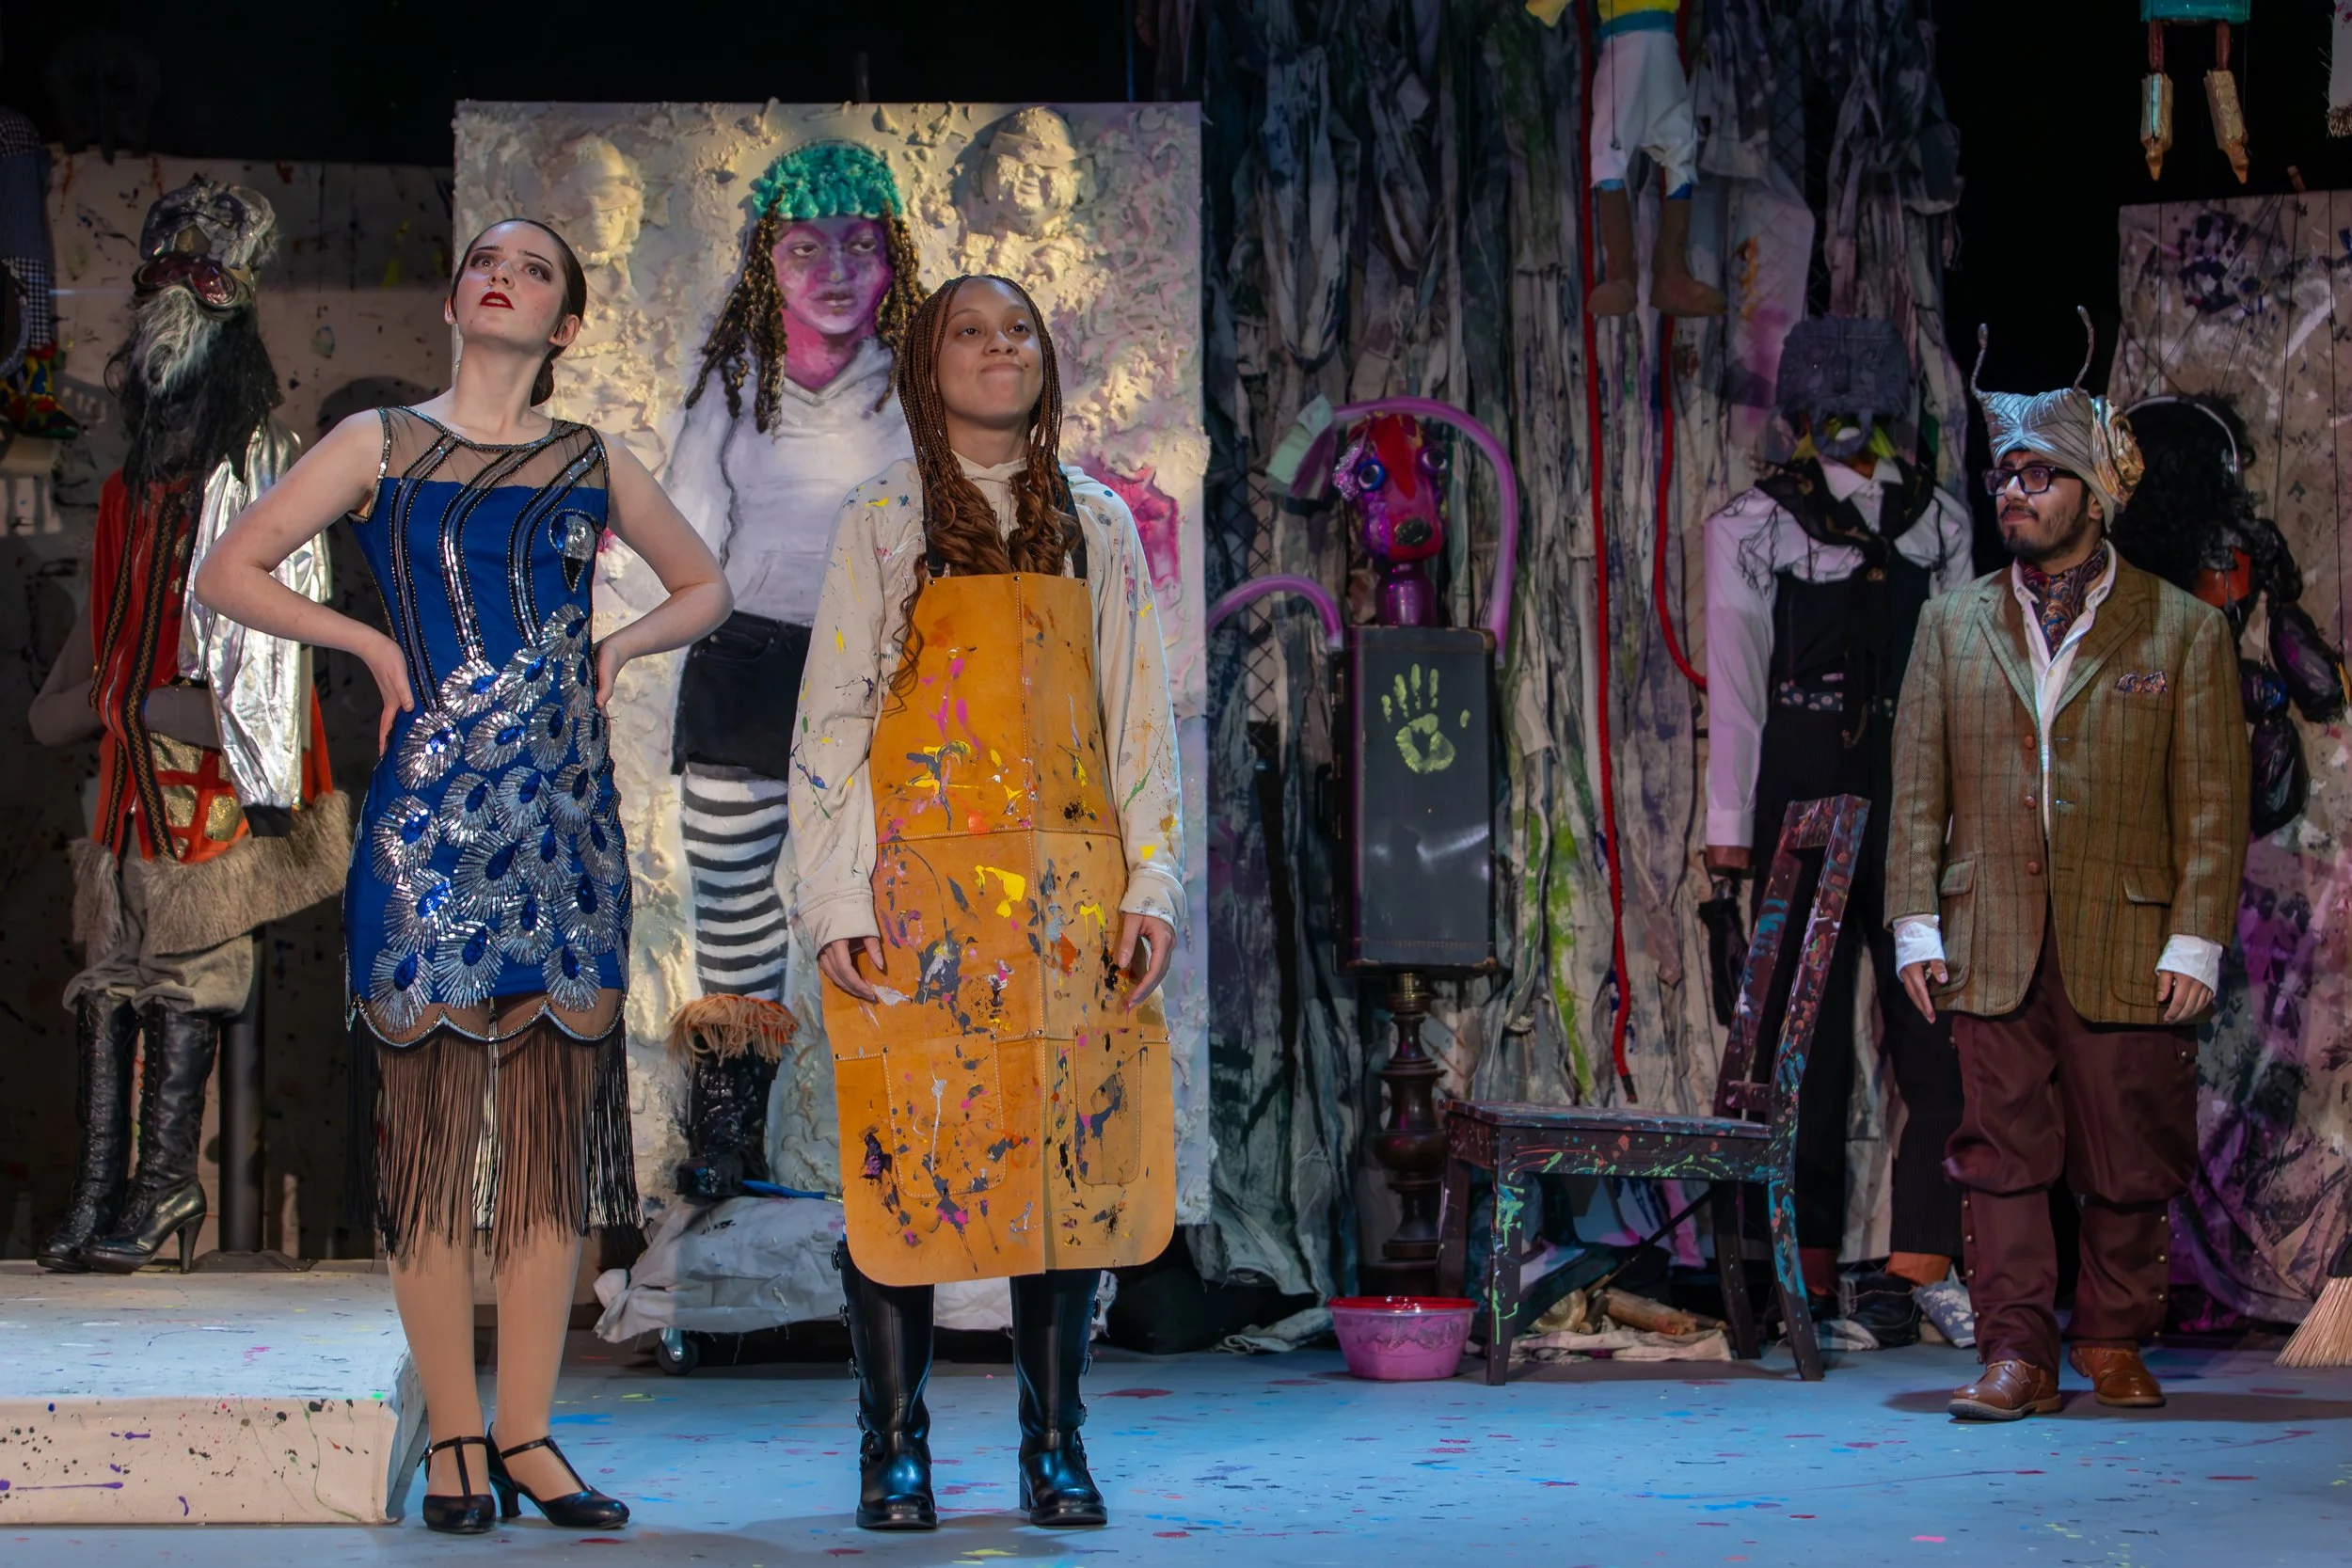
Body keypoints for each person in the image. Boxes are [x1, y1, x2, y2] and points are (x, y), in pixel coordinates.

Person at [193, 218, 731, 1528]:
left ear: (566, 325)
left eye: (536, 269)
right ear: (452, 300)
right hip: (429, 819)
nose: (504, 276)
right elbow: (228, 570)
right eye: (488, 261)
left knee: (545, 1147)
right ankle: (452, 1439)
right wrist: (370, 648)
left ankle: (531, 1435)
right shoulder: (378, 442)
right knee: (433, 1145)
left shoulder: (589, 458)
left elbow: (705, 586)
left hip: (563, 819)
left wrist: (619, 649)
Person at [790, 274, 1184, 1532]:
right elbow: (833, 721)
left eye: (1018, 329)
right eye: (969, 330)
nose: (997, 347)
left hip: (1068, 899)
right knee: (902, 1156)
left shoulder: (1095, 522)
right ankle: (893, 1448)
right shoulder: (883, 516)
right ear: (929, 363)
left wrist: (1154, 877)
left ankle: (1054, 1445)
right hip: (918, 897)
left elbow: (1137, 710)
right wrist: (837, 895)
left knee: (1065, 1163)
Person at [1886, 315, 2249, 1420]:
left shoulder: (2179, 631)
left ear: (2096, 495)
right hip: (1990, 926)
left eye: (2039, 475)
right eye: (2006, 474)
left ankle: (2112, 1334)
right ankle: (2015, 1352)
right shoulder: (1950, 624)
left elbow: (2211, 803)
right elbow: (1917, 787)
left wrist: (2196, 935)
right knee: (1997, 1151)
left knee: (2128, 1145)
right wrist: (1914, 920)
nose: (2014, 492)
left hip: (2126, 927)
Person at [29, 177, 344, 1275]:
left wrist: (141, 705)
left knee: (183, 970)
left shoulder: (258, 465)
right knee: (113, 972)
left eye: (201, 279)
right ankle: (106, 1184)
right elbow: (88, 655)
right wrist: (102, 698)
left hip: (205, 779)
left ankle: (163, 1183)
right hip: (126, 776)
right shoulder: (131, 490)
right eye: (162, 275)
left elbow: (268, 655)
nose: (176, 301)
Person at [1702, 315, 1974, 1349]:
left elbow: (1961, 681)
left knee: (1932, 1030)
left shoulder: (1937, 523)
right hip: (1803, 778)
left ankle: (1917, 1266)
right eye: (1831, 410)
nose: (1850, 427)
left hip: (1910, 784)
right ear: (1803, 416)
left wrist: (1961, 816)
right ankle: (1798, 1266)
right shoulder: (1754, 524)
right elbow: (1737, 692)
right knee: (1795, 1039)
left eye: (1864, 409)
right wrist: (1729, 832)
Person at [665, 140, 925, 1007]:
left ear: (893, 259)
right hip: (743, 666)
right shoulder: (736, 384)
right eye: (806, 247)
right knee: (733, 906)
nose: (836, 271)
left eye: (861, 244)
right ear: (766, 263)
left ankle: (885, 1087)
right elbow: (684, 524)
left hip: (881, 670)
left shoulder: (918, 387)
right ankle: (732, 1090)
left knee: (890, 897)